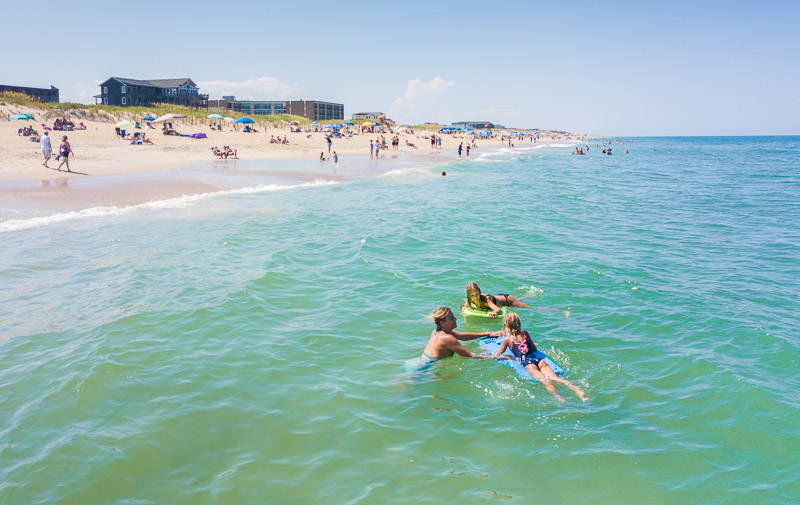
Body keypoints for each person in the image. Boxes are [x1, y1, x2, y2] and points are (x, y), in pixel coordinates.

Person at [491, 313, 587, 402]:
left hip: (529, 364)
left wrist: (489, 352)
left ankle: (560, 399)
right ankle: (578, 391)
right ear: (519, 323)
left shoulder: (507, 339)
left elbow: (499, 354)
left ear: (505, 325)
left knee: (546, 382)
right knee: (556, 378)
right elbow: (534, 348)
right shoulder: (525, 333)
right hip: (539, 361)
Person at [420, 307, 505, 364]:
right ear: (442, 323)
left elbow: (462, 337)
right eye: (451, 318)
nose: (455, 319)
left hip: (420, 361)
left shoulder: (436, 331)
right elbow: (471, 356)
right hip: (426, 368)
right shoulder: (448, 338)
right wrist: (498, 356)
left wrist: (488, 333)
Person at [461, 282, 530, 318]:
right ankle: (526, 298)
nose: (475, 297)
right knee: (518, 301)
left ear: (480, 293)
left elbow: (499, 310)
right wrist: (463, 308)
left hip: (507, 300)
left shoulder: (486, 300)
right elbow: (464, 306)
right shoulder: (469, 299)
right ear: (469, 296)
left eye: (477, 294)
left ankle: (540, 308)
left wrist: (495, 312)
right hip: (498, 298)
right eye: (472, 295)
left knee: (529, 308)